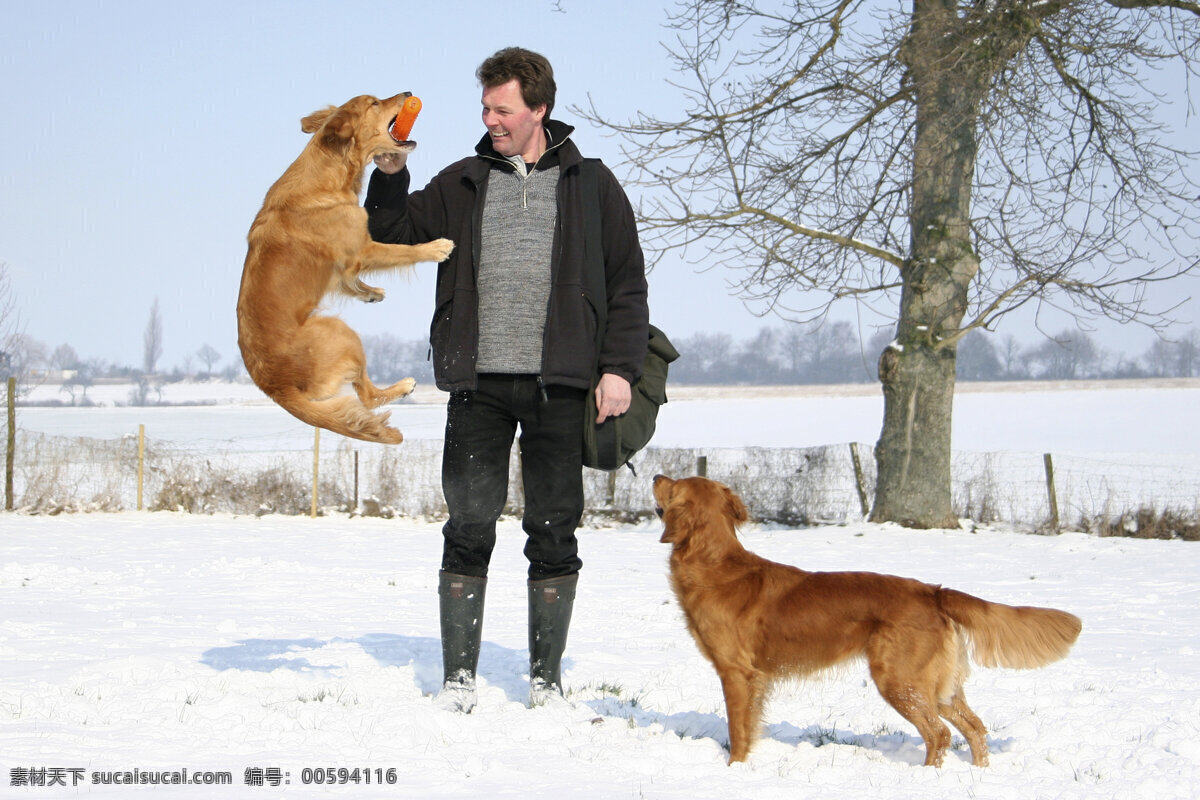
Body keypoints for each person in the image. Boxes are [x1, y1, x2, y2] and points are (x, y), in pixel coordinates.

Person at [365, 47, 650, 711]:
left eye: (503, 108)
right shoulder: (464, 181)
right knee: (468, 521)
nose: (491, 118)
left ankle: (546, 681)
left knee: (554, 527)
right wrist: (390, 168)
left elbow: (627, 284)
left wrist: (618, 370)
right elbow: (392, 228)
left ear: (538, 109)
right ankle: (459, 678)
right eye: (486, 107)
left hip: (562, 388)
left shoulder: (593, 185)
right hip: (479, 386)